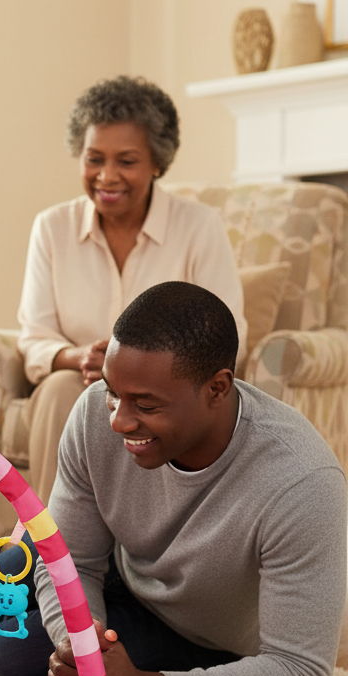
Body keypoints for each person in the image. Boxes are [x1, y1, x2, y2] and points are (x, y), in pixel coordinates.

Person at [0, 282, 346, 676]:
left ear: (217, 388)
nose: (118, 421)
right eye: (113, 392)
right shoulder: (94, 413)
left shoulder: (302, 482)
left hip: (198, 632)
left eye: (145, 405)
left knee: (8, 651)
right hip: (115, 560)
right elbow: (73, 559)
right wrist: (80, 641)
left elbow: (299, 674)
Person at [17, 75, 248, 502]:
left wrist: (150, 374)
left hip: (167, 392)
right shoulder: (52, 228)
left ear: (157, 162)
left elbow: (229, 332)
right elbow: (34, 336)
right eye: (94, 159)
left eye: (126, 161)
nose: (107, 176)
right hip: (79, 382)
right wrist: (81, 358)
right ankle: (51, 536)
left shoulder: (199, 227)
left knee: (156, 404)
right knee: (59, 391)